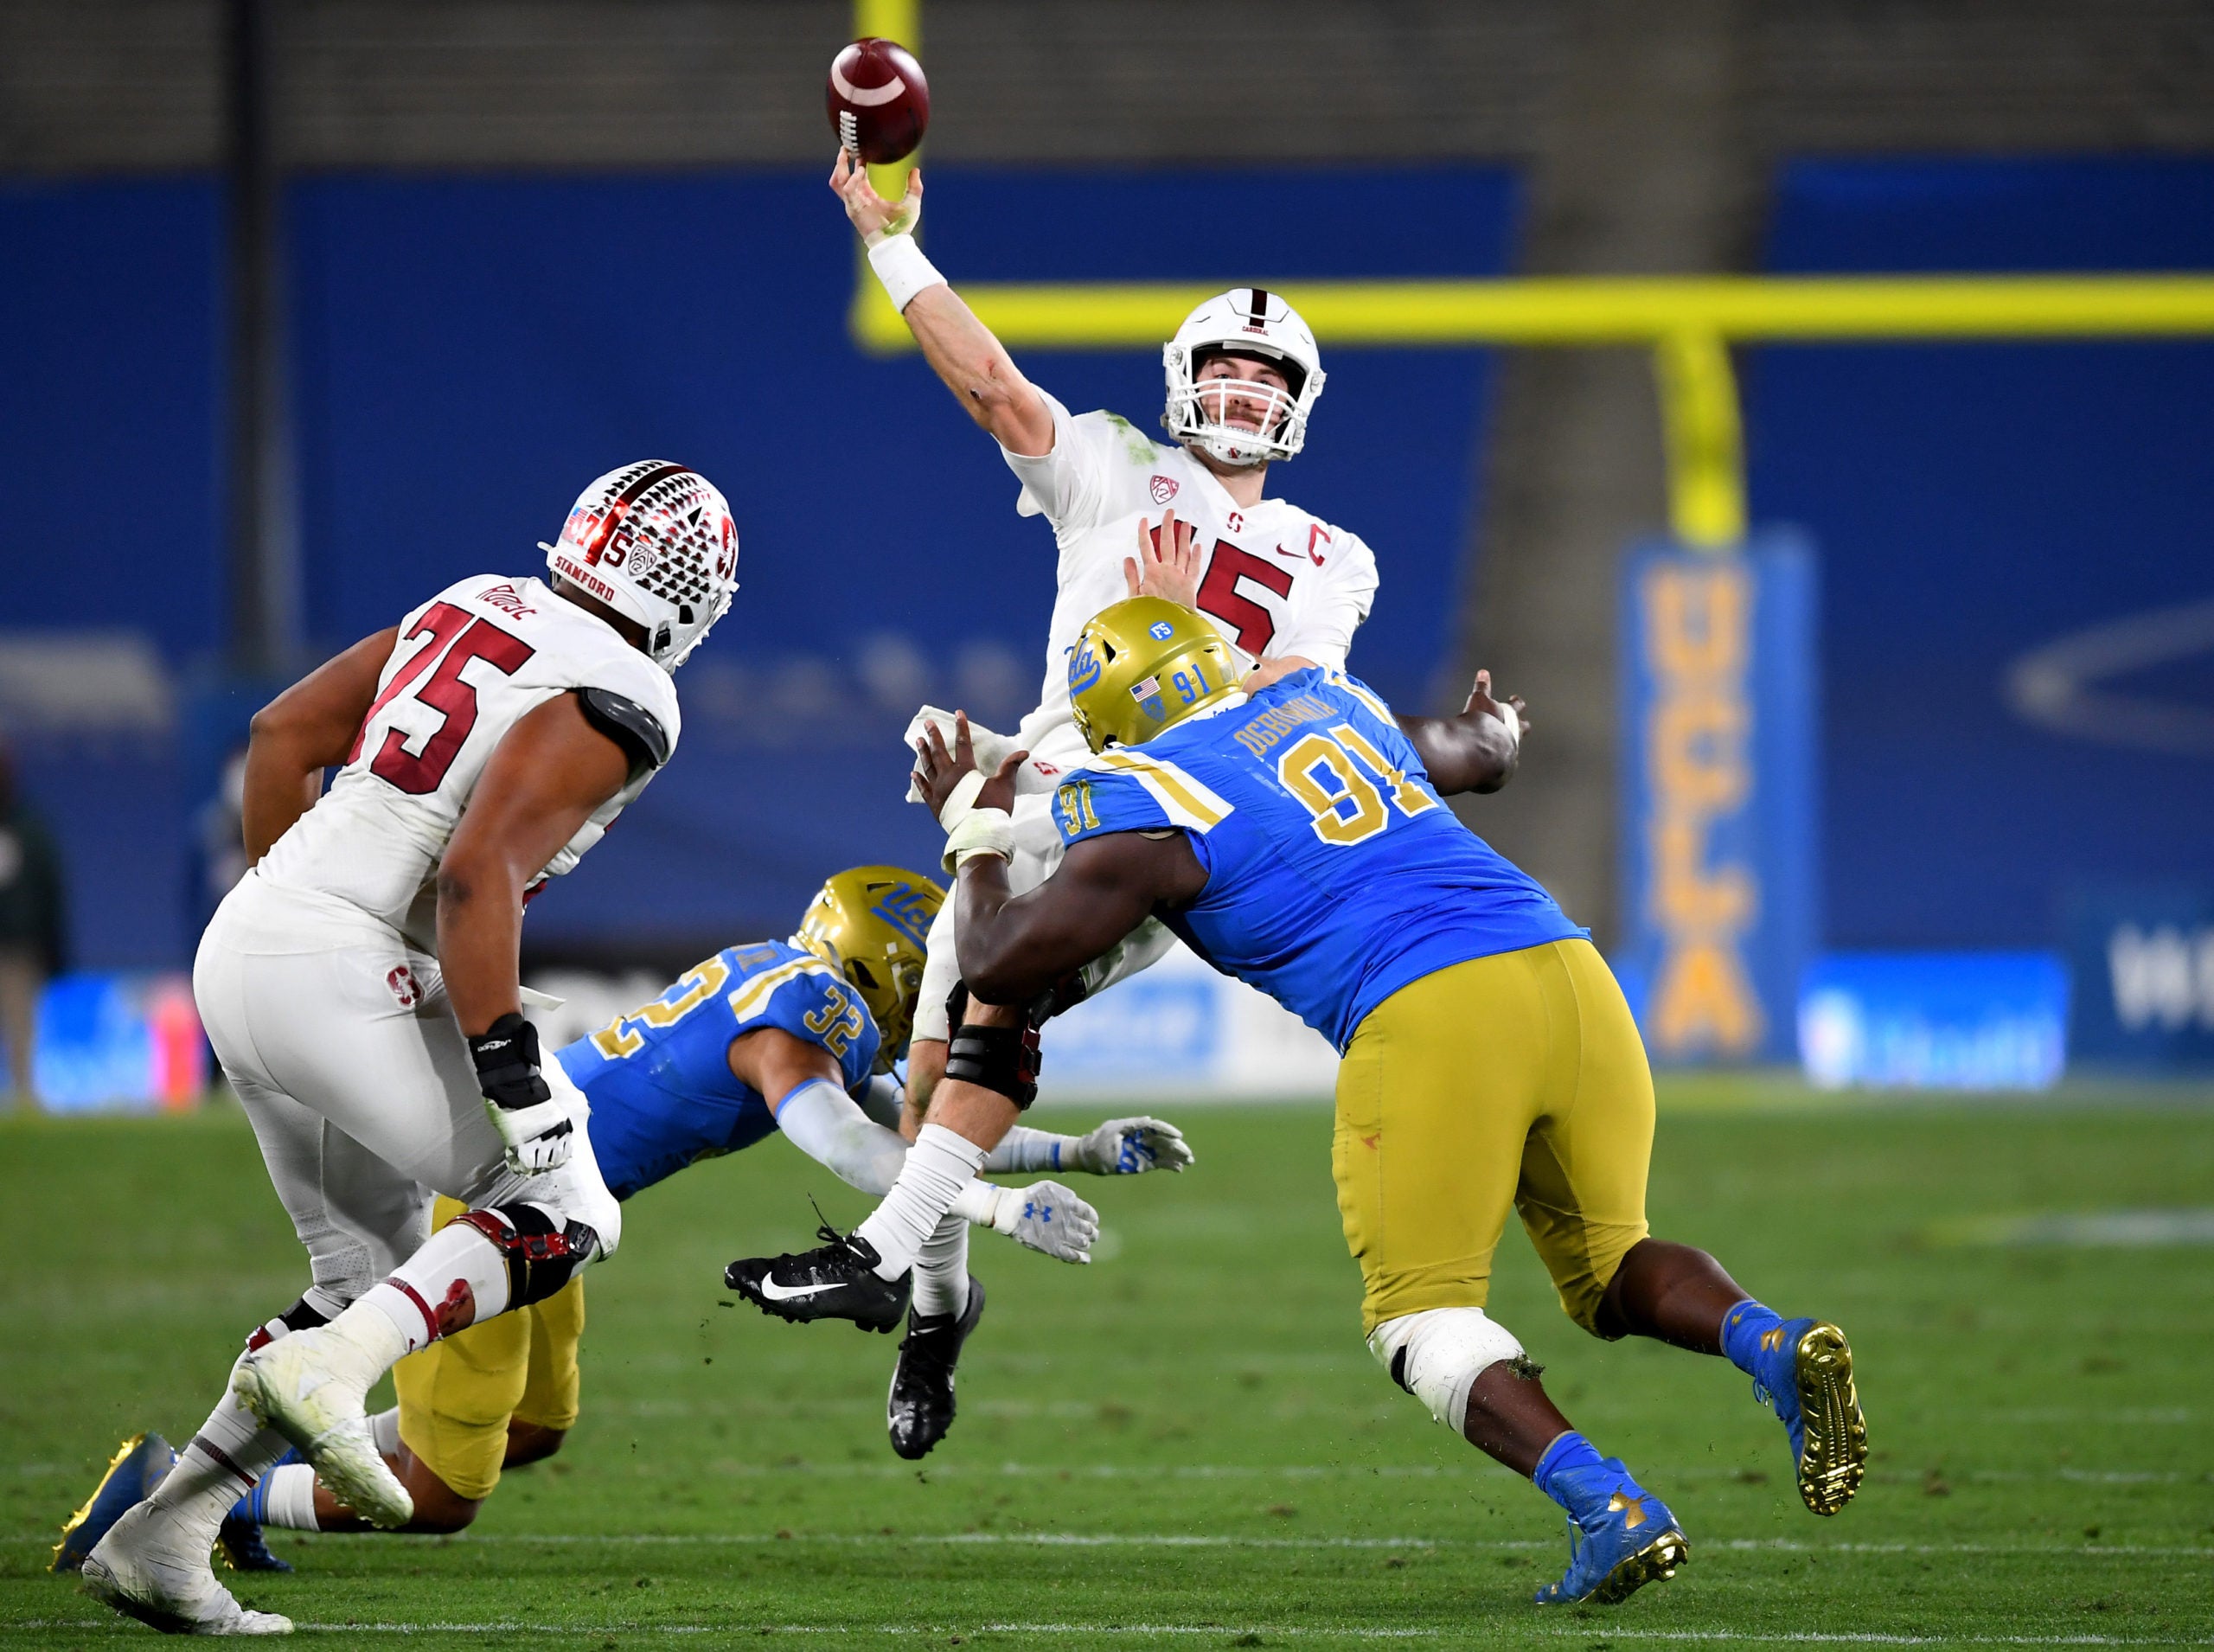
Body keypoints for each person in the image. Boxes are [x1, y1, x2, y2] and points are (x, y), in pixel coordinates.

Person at [742, 598, 1867, 1609]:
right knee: (1611, 1265)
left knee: (1420, 1319)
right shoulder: (1328, 697)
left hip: (1428, 1012)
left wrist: (971, 826)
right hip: (1570, 976)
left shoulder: (1146, 799)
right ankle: (1769, 1341)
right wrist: (1501, 733)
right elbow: (1474, 751)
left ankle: (1609, 1505)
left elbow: (997, 955)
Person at [56, 864, 1187, 1572]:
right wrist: (994, 1202)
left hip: (553, 1203)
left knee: (536, 1431)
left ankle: (238, 1482)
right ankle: (192, 1494)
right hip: (504, 1201)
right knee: (446, 1497)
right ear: (888, 971)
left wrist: (1073, 1150)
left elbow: (904, 1132)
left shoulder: (783, 981)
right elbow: (849, 1147)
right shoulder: (810, 1016)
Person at [80, 461, 744, 1637]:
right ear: (691, 589)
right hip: (326, 960)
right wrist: (507, 1067)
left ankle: (165, 1535)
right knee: (566, 1201)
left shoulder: (480, 596)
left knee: (360, 1273)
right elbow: (475, 871)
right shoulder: (627, 684)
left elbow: (281, 734)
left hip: (248, 935)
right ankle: (331, 1373)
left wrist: (305, 924)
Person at [820, 149, 1381, 1320]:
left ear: (1301, 400)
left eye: (1262, 375)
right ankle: (932, 1314)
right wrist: (892, 241)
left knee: (991, 991)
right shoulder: (1121, 465)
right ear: (1182, 377)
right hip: (1043, 788)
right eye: (1221, 369)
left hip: (1167, 828)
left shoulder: (1333, 559)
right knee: (938, 1064)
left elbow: (1279, 706)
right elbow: (994, 387)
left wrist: (1178, 626)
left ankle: (891, 1261)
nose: (1238, 393)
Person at [0, 733, 67, 1110]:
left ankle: (24, 1101)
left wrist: (53, 948)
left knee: (20, 1033)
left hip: (18, 952)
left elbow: (49, 891)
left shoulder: (29, 829)